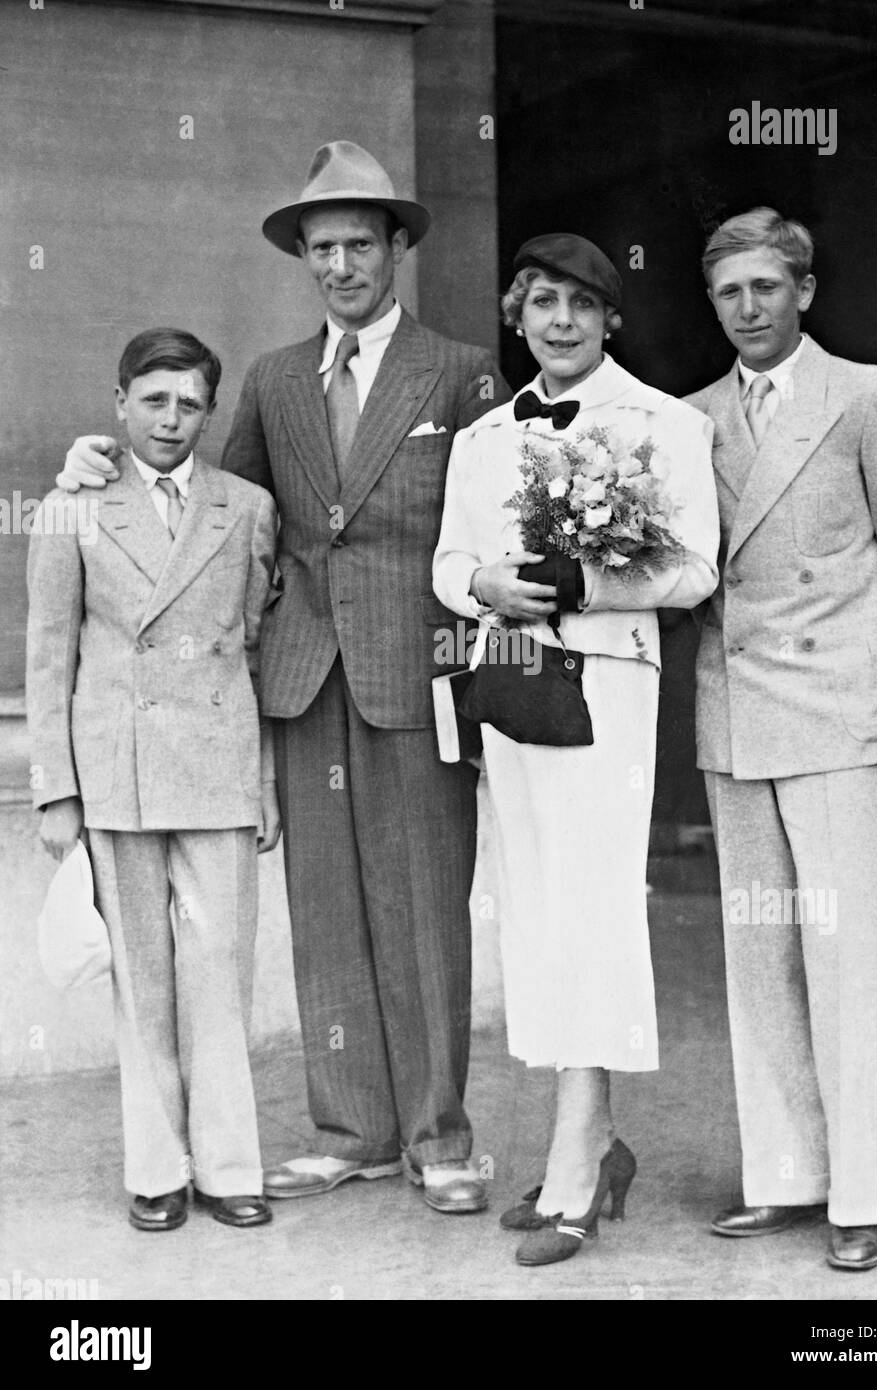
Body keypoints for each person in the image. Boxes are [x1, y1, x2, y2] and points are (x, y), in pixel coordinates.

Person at [57, 143, 510, 1215]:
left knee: (426, 909)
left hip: (420, 674)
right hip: (302, 679)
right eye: (323, 249)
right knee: (324, 910)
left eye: (360, 243)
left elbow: (499, 518)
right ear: (304, 260)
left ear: (396, 247)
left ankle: (440, 1136)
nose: (342, 264)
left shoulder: (461, 370)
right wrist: (102, 464)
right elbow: (217, 513)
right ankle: (352, 1127)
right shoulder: (267, 379)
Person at [433, 234, 719, 1265]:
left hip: (606, 686)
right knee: (538, 912)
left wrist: (585, 584)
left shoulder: (663, 423)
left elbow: (691, 569)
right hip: (513, 684)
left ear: (610, 319)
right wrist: (485, 589)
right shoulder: (479, 438)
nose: (560, 320)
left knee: (592, 907)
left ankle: (576, 1161)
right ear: (517, 315)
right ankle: (590, 1144)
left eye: (581, 304)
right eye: (541, 301)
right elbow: (449, 558)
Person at [688, 208, 877, 1270]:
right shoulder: (691, 414)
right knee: (759, 958)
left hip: (841, 716)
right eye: (727, 293)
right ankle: (786, 1175)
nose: (747, 308)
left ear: (803, 290)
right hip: (734, 714)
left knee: (848, 960)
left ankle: (860, 1193)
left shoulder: (871, 395)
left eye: (764, 287)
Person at [27, 329, 279, 1232]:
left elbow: (248, 645)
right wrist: (57, 790)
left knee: (219, 973)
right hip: (117, 775)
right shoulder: (71, 509)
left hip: (216, 768)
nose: (172, 419)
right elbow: (49, 657)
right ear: (122, 401)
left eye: (191, 403)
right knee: (142, 981)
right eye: (155, 400)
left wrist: (265, 782)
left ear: (210, 412)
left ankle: (230, 1167)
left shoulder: (245, 506)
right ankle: (156, 1170)